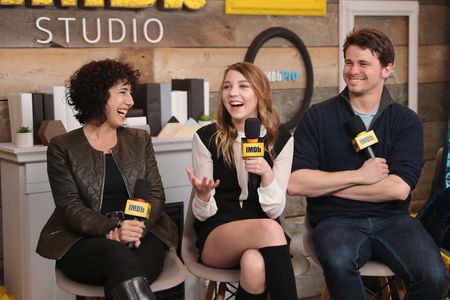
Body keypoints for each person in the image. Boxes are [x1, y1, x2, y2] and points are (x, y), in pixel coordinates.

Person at [288, 27, 448, 299]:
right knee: (339, 264)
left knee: (434, 276)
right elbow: (295, 183)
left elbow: (397, 189)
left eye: (363, 63)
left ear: (387, 69)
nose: (353, 70)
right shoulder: (318, 116)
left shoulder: (405, 121)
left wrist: (326, 186)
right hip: (334, 221)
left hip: (394, 220)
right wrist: (360, 175)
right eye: (349, 62)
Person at [36, 59, 178, 300]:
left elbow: (155, 194)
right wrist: (113, 229)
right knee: (117, 258)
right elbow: (70, 207)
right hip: (84, 241)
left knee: (124, 270)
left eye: (130, 92)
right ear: (98, 95)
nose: (131, 101)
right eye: (123, 92)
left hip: (141, 233)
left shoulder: (139, 140)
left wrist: (134, 231)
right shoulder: (63, 147)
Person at [185, 62, 298, 300]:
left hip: (266, 235)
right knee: (270, 228)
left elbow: (275, 209)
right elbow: (203, 214)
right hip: (218, 235)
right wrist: (203, 195)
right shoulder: (206, 137)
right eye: (227, 87)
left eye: (243, 86)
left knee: (254, 265)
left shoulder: (282, 140)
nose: (232, 93)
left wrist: (266, 174)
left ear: (259, 93)